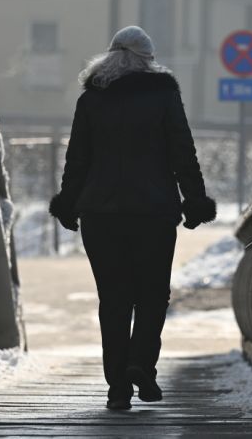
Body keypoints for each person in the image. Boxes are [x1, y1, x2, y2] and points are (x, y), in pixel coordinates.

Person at [49, 26, 216, 411]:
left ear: (109, 57)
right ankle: (141, 363)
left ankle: (117, 388)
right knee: (153, 293)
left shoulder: (92, 99)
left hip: (101, 215)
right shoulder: (164, 95)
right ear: (148, 59)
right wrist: (194, 201)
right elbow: (182, 152)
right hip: (154, 212)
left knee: (114, 299)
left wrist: (69, 203)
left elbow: (77, 160)